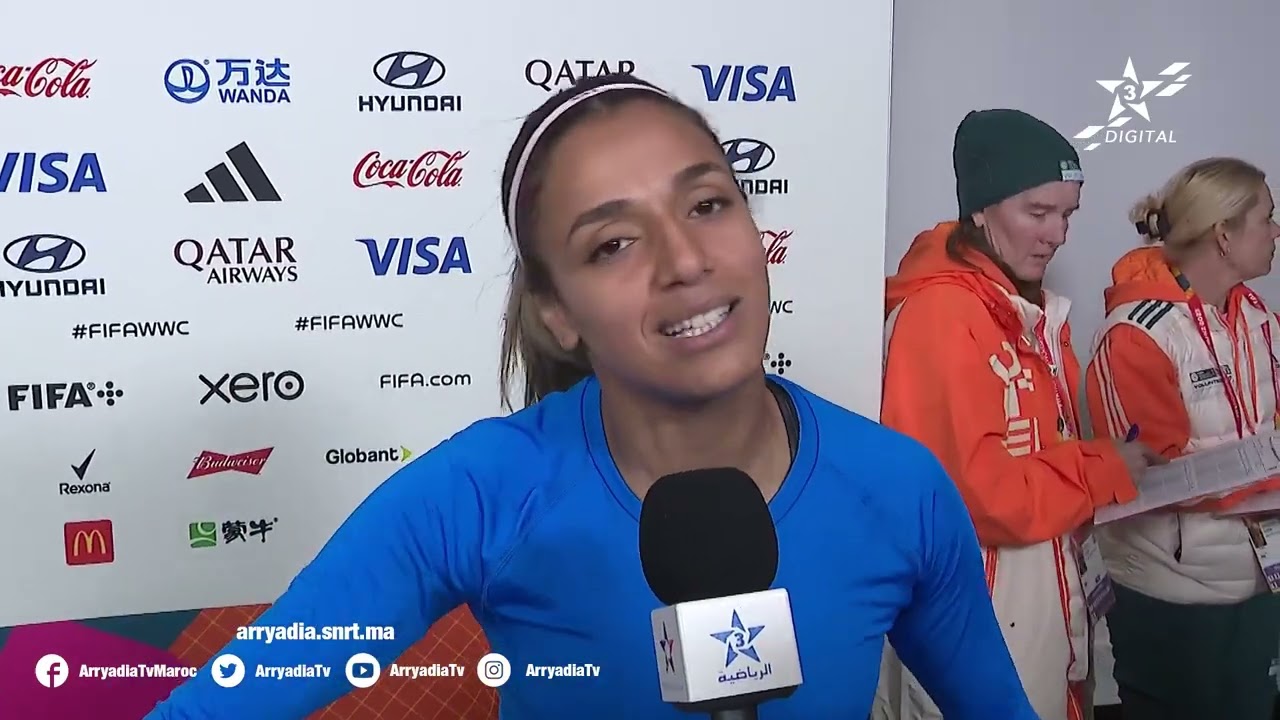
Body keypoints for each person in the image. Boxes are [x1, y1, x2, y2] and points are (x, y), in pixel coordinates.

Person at [143, 74, 1037, 719]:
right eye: (613, 244)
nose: (685, 261)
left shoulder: (898, 488)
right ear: (557, 312)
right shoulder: (481, 490)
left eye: (708, 205)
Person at [874, 108, 1164, 720]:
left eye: (1067, 215)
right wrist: (1104, 468)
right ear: (981, 210)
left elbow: (1037, 454)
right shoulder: (943, 314)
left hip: (1041, 593)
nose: (1057, 234)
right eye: (1038, 212)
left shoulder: (1024, 308)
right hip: (978, 606)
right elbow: (979, 497)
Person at [1084, 156, 1280, 720]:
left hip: (1256, 580)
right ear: (1224, 236)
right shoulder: (1136, 334)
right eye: (1267, 218)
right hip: (1173, 592)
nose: (1275, 232)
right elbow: (1148, 475)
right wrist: (1262, 480)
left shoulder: (1258, 316)